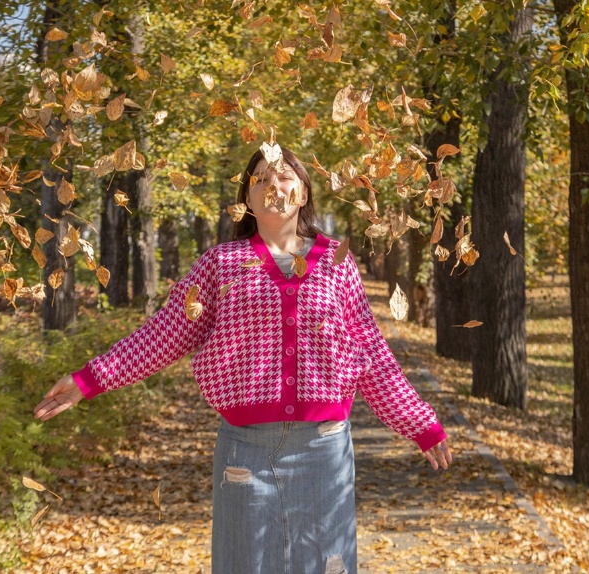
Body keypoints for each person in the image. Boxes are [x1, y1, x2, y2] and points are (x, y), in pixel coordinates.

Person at [33, 145, 452, 574]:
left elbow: (370, 351)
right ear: (247, 199)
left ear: (304, 193)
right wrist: (88, 380)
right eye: (262, 179)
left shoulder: (337, 262)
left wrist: (418, 423)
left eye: (286, 176)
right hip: (245, 453)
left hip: (324, 451)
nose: (274, 184)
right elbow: (163, 335)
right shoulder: (221, 265)